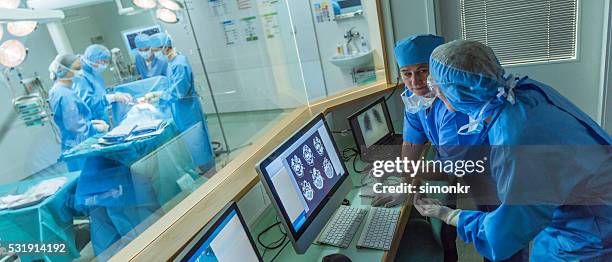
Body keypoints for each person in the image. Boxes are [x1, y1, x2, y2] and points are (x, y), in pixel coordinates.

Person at [416, 39, 612, 261]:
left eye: (434, 84)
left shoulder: (515, 139)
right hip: (580, 206)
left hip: (592, 234)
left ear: (457, 92)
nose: (432, 89)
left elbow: (505, 231)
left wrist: (451, 215)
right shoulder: (521, 92)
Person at [373, 34, 516, 262]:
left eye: (422, 70)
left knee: (502, 234)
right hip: (468, 172)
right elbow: (411, 143)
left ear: (439, 69)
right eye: (406, 73)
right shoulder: (414, 98)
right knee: (485, 229)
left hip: (493, 173)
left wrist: (397, 170)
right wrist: (405, 183)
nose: (415, 81)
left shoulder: (454, 102)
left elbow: (452, 168)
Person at [147, 33, 215, 172]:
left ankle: (212, 177)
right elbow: (173, 86)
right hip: (182, 113)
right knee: (192, 149)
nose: (155, 55)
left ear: (164, 47)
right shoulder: (171, 63)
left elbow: (179, 92)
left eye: (155, 51)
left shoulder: (179, 63)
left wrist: (158, 95)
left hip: (189, 113)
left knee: (198, 148)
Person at [48, 54, 109, 171]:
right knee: (90, 181)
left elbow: (75, 119)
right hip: (79, 147)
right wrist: (96, 129)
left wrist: (91, 123)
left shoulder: (63, 90)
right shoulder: (64, 94)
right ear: (62, 70)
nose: (80, 72)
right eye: (76, 69)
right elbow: (75, 126)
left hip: (76, 146)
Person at [77, 44, 132, 124]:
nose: (104, 65)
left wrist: (115, 94)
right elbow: (87, 104)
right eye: (103, 62)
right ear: (92, 59)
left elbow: (99, 93)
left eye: (106, 62)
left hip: (101, 120)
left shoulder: (95, 73)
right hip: (92, 124)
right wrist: (112, 98)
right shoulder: (81, 77)